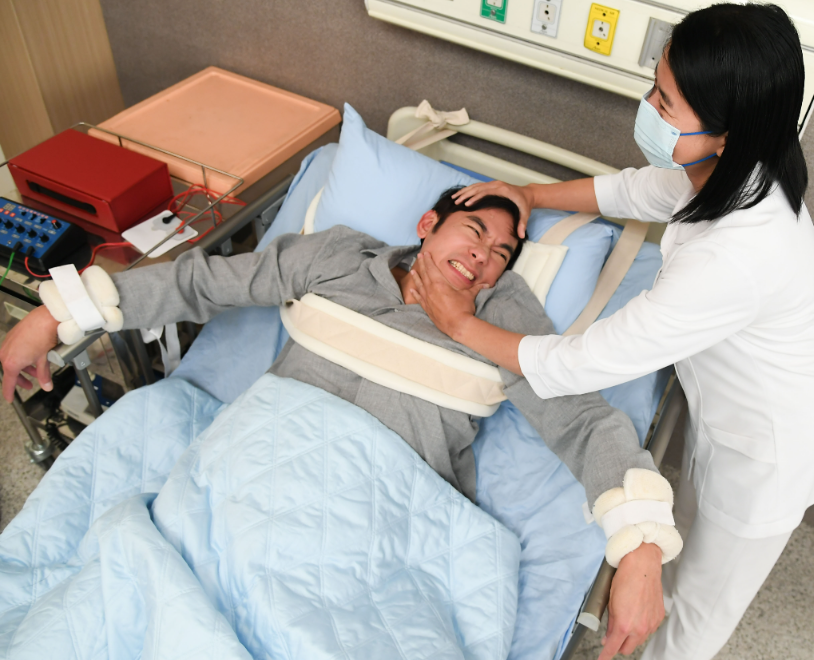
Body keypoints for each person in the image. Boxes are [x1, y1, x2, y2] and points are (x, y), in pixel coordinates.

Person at [0, 188, 674, 656]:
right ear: (427, 225)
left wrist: (640, 545)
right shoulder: (340, 259)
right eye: (475, 232)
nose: (484, 257)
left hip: (381, 510)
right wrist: (56, 315)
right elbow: (202, 283)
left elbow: (581, 420)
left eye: (503, 251)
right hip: (255, 464)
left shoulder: (504, 315)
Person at [408, 4, 814, 660]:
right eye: (654, 87)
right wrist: (530, 195)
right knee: (686, 535)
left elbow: (578, 365)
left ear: (726, 134)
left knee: (694, 615)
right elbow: (640, 192)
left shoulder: (737, 256)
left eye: (664, 103)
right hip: (725, 422)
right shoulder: (732, 170)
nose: (647, 107)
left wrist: (459, 322)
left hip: (767, 456)